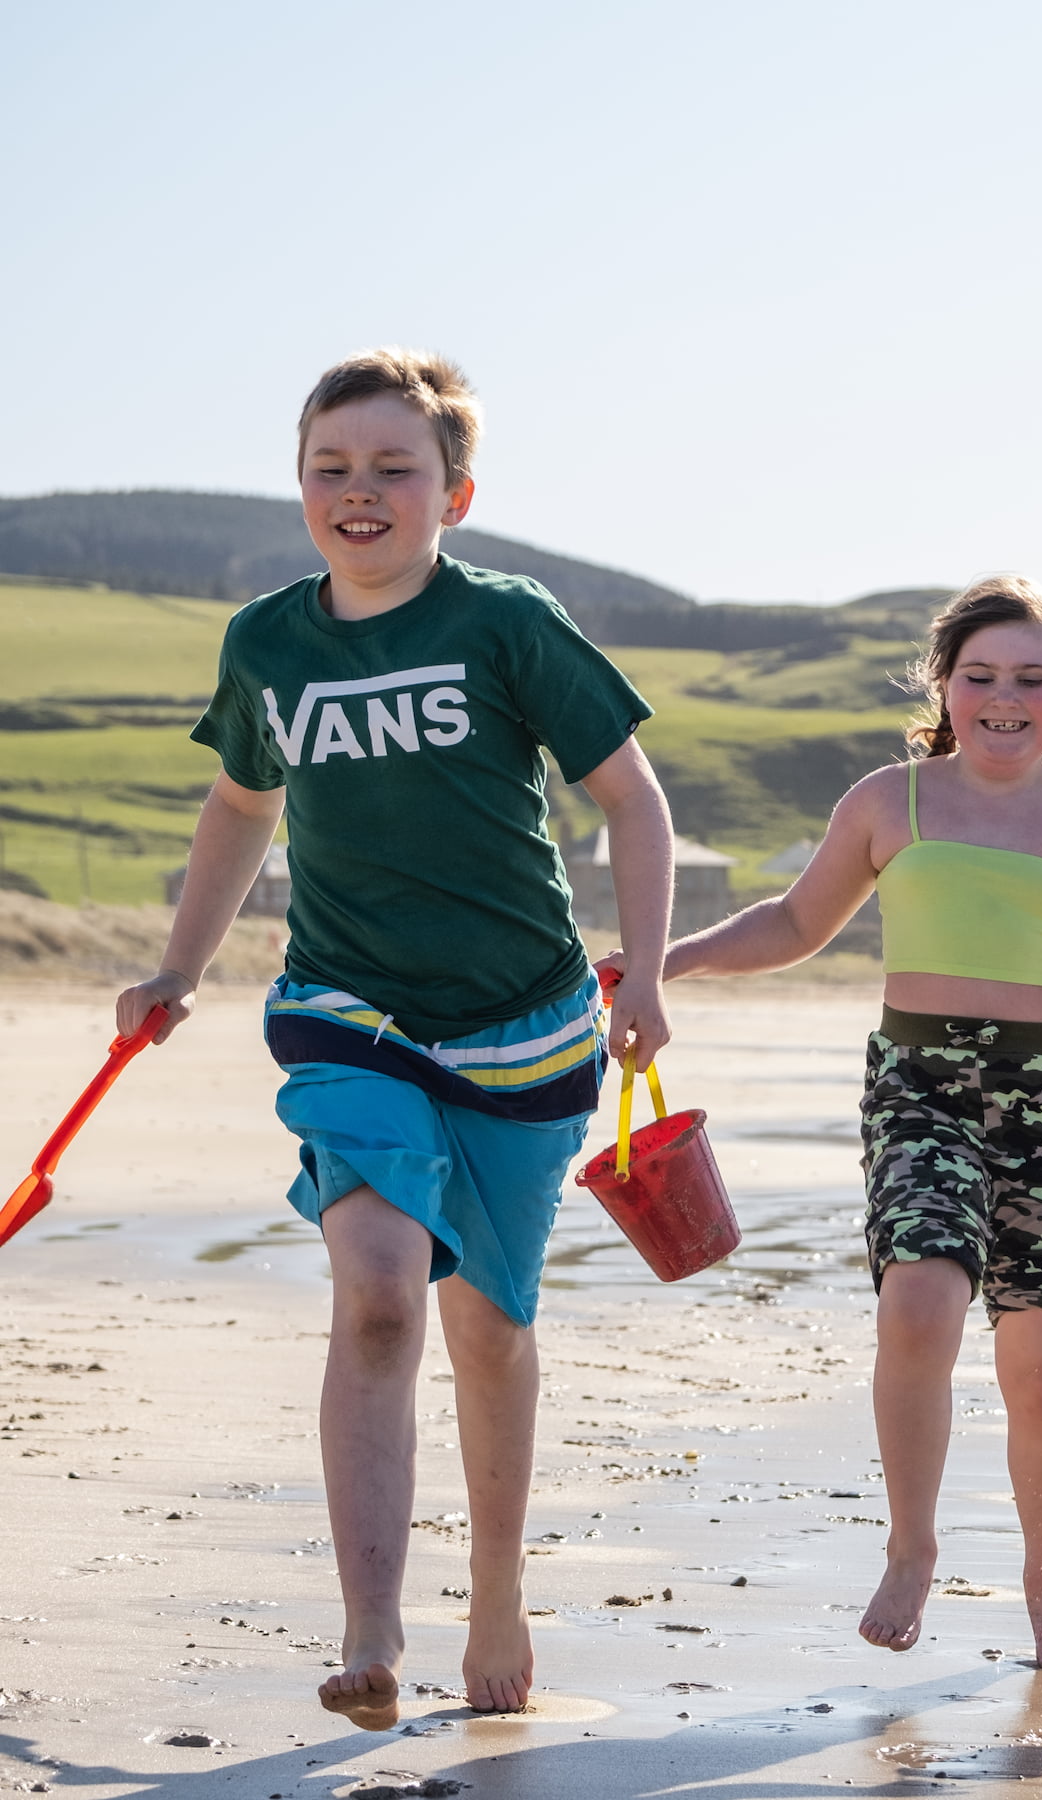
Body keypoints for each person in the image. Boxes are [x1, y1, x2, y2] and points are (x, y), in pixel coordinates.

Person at [117, 349, 676, 1728]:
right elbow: (243, 808)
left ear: (454, 494)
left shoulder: (506, 624)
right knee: (376, 1286)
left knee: (486, 1328)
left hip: (526, 1026)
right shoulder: (270, 643)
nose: (358, 494)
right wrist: (178, 965)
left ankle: (494, 1587)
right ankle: (370, 1623)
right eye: (331, 469)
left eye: (392, 470)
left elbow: (634, 800)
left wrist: (647, 977)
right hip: (347, 1008)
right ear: (299, 486)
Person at [614, 575, 1042, 1668]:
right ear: (946, 686)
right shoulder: (892, 802)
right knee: (919, 1301)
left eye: (1033, 677)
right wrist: (662, 964)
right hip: (920, 1087)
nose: (1006, 698)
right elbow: (793, 920)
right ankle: (914, 1547)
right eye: (981, 677)